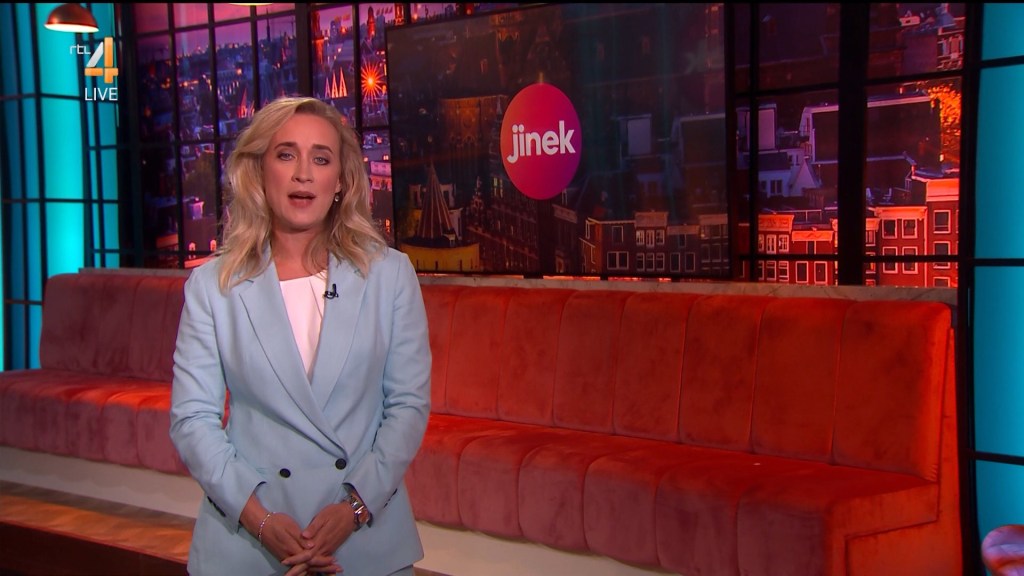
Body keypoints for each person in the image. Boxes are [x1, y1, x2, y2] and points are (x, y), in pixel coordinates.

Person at [169, 95, 431, 576]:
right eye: (286, 155)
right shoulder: (213, 286)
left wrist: (355, 508)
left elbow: (408, 407)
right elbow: (193, 420)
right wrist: (260, 520)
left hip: (364, 540)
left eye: (321, 159)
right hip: (250, 544)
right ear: (259, 170)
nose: (304, 174)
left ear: (341, 179)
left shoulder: (390, 275)